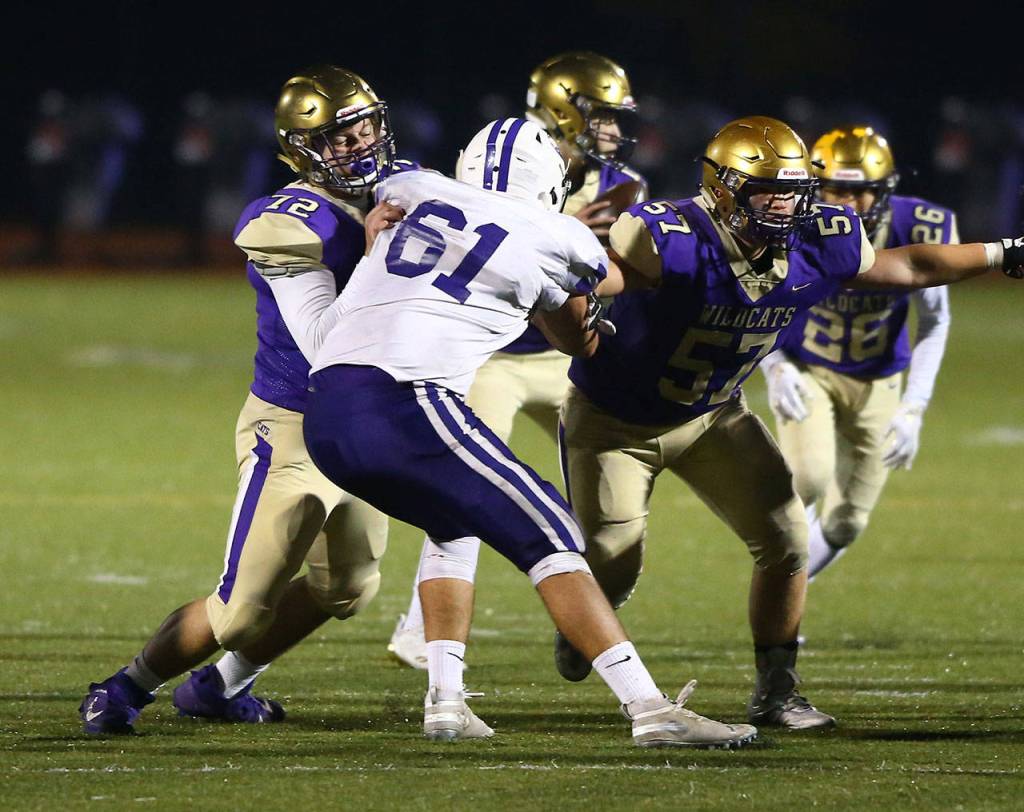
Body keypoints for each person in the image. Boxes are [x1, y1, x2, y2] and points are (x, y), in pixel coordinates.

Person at [555, 115, 1023, 730]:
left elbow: (909, 267)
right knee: (614, 559)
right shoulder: (670, 234)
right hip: (616, 423)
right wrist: (562, 254)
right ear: (723, 188)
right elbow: (597, 276)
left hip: (713, 415)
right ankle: (586, 617)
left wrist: (1005, 252)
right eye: (767, 190)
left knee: (786, 542)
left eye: (794, 189)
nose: (786, 204)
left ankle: (777, 692)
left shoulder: (820, 235)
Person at [304, 117, 759, 748]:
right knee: (554, 528)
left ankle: (445, 700)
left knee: (454, 520)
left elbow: (369, 188)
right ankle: (650, 709)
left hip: (326, 409)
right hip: (406, 398)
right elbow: (575, 336)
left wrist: (368, 225)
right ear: (550, 179)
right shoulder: (560, 233)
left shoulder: (413, 187)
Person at [79, 66, 405, 734]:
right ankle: (125, 687)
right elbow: (322, 340)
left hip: (368, 425)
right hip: (295, 426)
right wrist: (376, 254)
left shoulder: (408, 185)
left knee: (347, 588)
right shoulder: (286, 222)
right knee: (238, 613)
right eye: (339, 137)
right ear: (301, 148)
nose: (359, 145)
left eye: (365, 127)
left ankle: (220, 687)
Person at [388, 51, 647, 669]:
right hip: (494, 355)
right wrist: (562, 230)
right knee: (461, 493)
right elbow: (482, 237)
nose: (612, 128)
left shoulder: (622, 183)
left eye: (616, 116)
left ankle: (585, 627)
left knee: (612, 507)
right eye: (602, 114)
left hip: (564, 356)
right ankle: (419, 632)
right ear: (565, 108)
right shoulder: (504, 157)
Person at [761, 125, 955, 579]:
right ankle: (777, 595)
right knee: (807, 475)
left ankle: (791, 587)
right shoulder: (791, 225)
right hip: (809, 368)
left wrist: (914, 407)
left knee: (847, 521)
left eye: (861, 191)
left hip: (877, 378)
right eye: (834, 189)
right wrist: (775, 366)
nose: (847, 203)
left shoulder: (919, 225)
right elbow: (756, 299)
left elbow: (935, 319)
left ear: (884, 190)